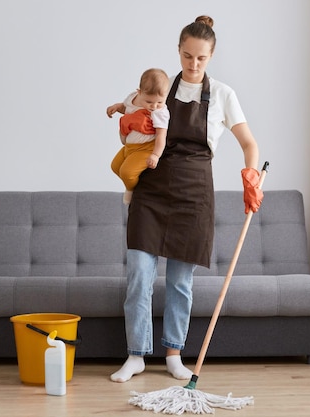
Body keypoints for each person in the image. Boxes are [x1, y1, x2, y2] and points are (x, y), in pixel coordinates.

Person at [106, 15, 264, 383]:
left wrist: (251, 175)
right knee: (139, 276)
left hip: (194, 194)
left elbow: (249, 144)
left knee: (180, 282)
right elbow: (131, 123)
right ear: (179, 51)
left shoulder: (224, 94)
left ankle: (174, 353)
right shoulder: (161, 88)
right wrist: (125, 125)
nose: (193, 65)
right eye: (187, 56)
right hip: (153, 188)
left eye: (201, 58)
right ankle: (136, 355)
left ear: (211, 56)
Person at [108, 68, 170, 205]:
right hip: (130, 146)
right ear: (139, 92)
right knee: (115, 166)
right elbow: (127, 108)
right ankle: (138, 185)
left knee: (126, 173)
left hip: (146, 148)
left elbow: (161, 136)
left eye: (160, 102)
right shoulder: (132, 99)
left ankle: (132, 191)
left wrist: (155, 155)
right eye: (149, 102)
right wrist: (117, 107)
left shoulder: (160, 113)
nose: (154, 106)